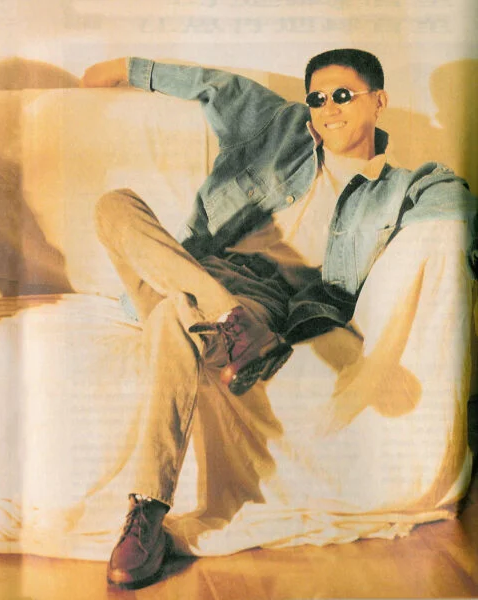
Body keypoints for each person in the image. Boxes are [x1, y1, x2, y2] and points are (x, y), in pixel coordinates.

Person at [82, 49, 475, 588]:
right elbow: (214, 83)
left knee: (175, 315)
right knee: (113, 205)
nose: (328, 109)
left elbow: (456, 207)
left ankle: (147, 509)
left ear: (379, 102)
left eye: (343, 96)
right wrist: (127, 68)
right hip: (188, 269)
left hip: (262, 300)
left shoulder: (400, 187)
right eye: (318, 98)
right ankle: (223, 315)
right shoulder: (280, 127)